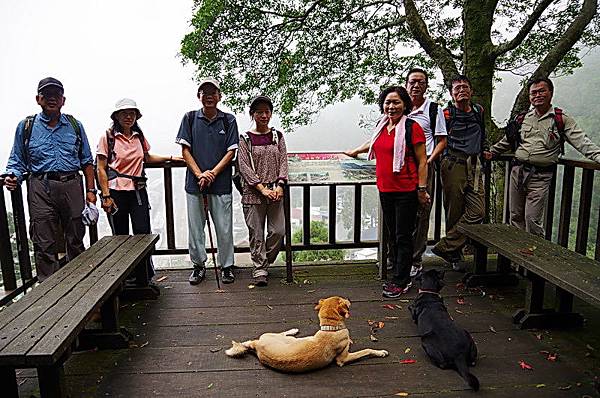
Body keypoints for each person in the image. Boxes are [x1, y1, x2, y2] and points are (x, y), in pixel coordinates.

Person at [3, 77, 96, 281]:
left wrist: (91, 192)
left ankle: (80, 287)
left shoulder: (74, 125)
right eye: (47, 95)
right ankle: (48, 293)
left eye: (57, 95)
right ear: (38, 99)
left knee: (75, 238)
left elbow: (87, 161)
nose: (52, 98)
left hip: (72, 184)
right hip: (39, 186)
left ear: (64, 100)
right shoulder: (26, 126)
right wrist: (13, 177)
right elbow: (17, 160)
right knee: (43, 241)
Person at [484, 77, 600, 236]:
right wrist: (492, 152)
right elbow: (508, 141)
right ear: (530, 97)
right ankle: (517, 255)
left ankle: (534, 254)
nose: (537, 95)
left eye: (541, 91)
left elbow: (582, 142)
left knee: (532, 218)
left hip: (540, 175)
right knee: (516, 216)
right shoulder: (522, 118)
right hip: (517, 172)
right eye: (533, 93)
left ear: (550, 93)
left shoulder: (561, 120)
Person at [345, 86, 429, 298]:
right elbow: (373, 144)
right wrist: (355, 151)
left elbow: (422, 161)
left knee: (403, 236)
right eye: (388, 103)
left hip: (407, 190)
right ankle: (398, 271)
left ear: (405, 105)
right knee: (393, 233)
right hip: (386, 188)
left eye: (396, 102)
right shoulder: (382, 126)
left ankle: (402, 281)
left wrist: (421, 188)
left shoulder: (412, 127)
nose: (391, 107)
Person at [97, 98, 182, 286]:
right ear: (116, 116)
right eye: (124, 113)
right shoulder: (108, 137)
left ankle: (144, 277)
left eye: (132, 114)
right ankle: (123, 279)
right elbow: (101, 168)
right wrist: (106, 196)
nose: (128, 117)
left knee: (143, 233)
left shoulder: (138, 136)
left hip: (137, 190)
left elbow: (147, 157)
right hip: (115, 192)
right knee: (120, 236)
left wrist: (171, 158)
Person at [176, 78, 239, 285]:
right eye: (205, 92)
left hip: (220, 184)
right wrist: (200, 174)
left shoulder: (228, 120)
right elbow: (185, 150)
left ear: (220, 96)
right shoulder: (190, 118)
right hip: (195, 185)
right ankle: (198, 265)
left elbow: (231, 151)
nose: (209, 95)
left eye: (213, 92)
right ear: (199, 96)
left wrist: (211, 173)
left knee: (224, 227)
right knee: (196, 228)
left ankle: (227, 266)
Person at [431, 75, 486, 271]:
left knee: (478, 210)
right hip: (453, 163)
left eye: (465, 87)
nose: (461, 90)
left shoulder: (478, 111)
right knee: (454, 209)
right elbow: (438, 139)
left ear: (471, 91)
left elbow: (482, 133)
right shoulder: (445, 114)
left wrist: (485, 150)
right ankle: (455, 254)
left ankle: (446, 246)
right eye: (457, 88)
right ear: (451, 93)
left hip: (475, 164)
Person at [237, 96, 288, 286]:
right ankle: (259, 269)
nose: (264, 115)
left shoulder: (278, 136)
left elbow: (283, 161)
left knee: (278, 231)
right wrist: (261, 188)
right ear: (253, 114)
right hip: (253, 193)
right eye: (259, 112)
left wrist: (280, 185)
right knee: (256, 232)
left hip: (276, 191)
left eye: (267, 111)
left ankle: (264, 262)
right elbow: (243, 166)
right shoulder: (245, 139)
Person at [405, 68, 448, 277]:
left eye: (421, 82)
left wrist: (429, 160)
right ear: (406, 84)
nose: (416, 86)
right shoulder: (400, 107)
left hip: (425, 168)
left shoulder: (433, 109)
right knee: (402, 214)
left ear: (426, 85)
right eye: (413, 82)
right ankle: (396, 257)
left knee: (422, 213)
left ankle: (415, 259)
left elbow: (442, 140)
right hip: (403, 169)